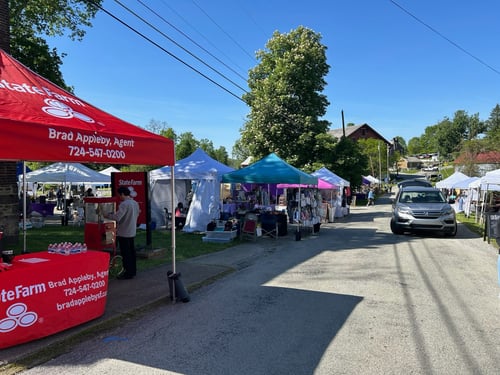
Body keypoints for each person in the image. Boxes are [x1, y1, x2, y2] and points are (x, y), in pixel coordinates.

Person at [106, 187, 140, 280]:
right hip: (132, 231)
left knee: (125, 254)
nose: (119, 197)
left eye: (119, 195)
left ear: (122, 194)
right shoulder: (135, 203)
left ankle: (127, 273)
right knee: (132, 253)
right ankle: (133, 271)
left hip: (124, 232)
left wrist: (108, 215)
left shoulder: (124, 204)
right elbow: (137, 214)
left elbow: (117, 217)